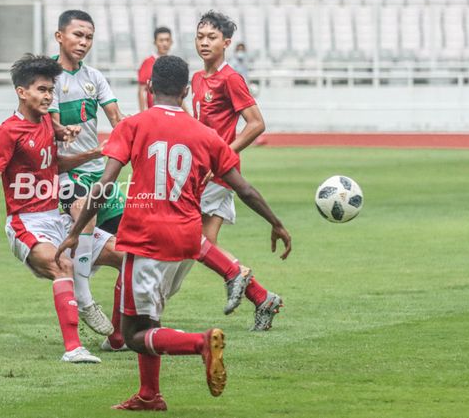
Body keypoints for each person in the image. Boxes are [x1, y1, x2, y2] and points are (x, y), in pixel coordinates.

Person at [55, 55, 292, 410]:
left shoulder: (134, 126)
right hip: (187, 242)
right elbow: (243, 188)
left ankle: (199, 343)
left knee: (134, 335)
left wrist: (75, 231)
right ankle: (150, 394)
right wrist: (276, 222)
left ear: (149, 87)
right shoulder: (206, 135)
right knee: (151, 318)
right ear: (185, 90)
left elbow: (105, 184)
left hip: (145, 240)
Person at [0, 54, 124, 363]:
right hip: (26, 223)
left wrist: (93, 153)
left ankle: (120, 336)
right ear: (22, 92)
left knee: (127, 255)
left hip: (55, 217)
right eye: (42, 90)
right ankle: (74, 348)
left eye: (50, 90)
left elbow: (54, 164)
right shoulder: (7, 132)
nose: (48, 96)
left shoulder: (47, 120)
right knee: (64, 266)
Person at [191, 10, 281, 330]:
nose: (204, 42)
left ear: (226, 43)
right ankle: (262, 298)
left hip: (218, 174)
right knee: (203, 245)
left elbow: (256, 124)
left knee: (194, 244)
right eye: (200, 36)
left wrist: (222, 153)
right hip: (200, 171)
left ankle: (243, 281)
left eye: (211, 37)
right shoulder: (198, 78)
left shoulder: (231, 78)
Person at [49, 9, 129, 349]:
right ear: (60, 37)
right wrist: (62, 129)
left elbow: (117, 117)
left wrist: (133, 134)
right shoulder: (47, 78)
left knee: (133, 245)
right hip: (66, 172)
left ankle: (122, 333)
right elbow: (51, 121)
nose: (83, 42)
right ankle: (83, 297)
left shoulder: (94, 77)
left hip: (100, 171)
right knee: (85, 206)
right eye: (77, 35)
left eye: (89, 37)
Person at [137, 27, 172, 112]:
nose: (164, 43)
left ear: (171, 42)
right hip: (153, 113)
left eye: (167, 40)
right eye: (161, 40)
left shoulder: (174, 63)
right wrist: (144, 113)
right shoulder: (148, 63)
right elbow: (142, 90)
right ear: (155, 42)